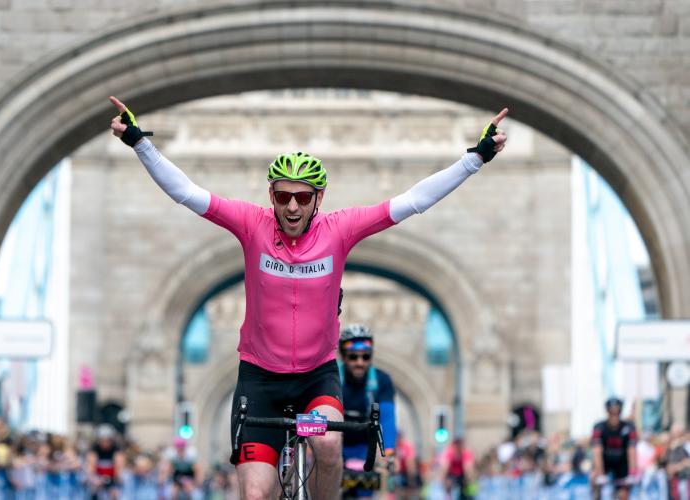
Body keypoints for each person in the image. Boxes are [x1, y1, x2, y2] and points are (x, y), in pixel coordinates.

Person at [108, 95, 508, 500]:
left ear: (319, 198)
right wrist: (141, 143)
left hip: (315, 379)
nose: (293, 206)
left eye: (303, 196)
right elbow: (187, 193)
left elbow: (414, 201)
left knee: (328, 444)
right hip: (260, 381)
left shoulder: (340, 229)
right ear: (271, 197)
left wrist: (476, 158)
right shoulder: (251, 225)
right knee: (255, 495)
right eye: (283, 197)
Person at [338, 324, 397, 498]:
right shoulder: (333, 377)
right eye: (353, 357)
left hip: (366, 447)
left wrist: (388, 453)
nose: (360, 362)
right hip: (338, 444)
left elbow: (388, 418)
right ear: (343, 356)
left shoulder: (381, 380)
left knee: (376, 484)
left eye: (366, 356)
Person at [590, 397, 637, 500]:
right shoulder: (599, 427)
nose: (614, 416)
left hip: (622, 463)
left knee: (623, 494)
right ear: (607, 412)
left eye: (617, 412)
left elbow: (632, 450)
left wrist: (633, 472)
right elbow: (597, 451)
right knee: (594, 478)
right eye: (612, 413)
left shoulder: (629, 427)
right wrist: (600, 474)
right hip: (605, 462)